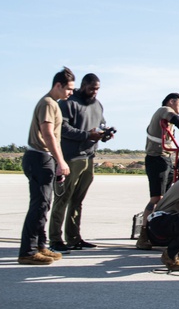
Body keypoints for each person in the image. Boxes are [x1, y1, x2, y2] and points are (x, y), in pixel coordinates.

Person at [18, 67, 74, 265]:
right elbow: (48, 134)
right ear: (58, 85)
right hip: (40, 157)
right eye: (69, 89)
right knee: (39, 205)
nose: (71, 93)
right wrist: (61, 161)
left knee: (44, 205)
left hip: (44, 157)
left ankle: (41, 246)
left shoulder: (53, 104)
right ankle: (28, 251)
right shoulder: (48, 103)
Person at [50, 73, 111, 252]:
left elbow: (101, 125)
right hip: (71, 157)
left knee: (78, 200)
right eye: (92, 88)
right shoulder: (68, 103)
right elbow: (63, 127)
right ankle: (55, 239)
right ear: (83, 85)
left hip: (89, 157)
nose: (94, 92)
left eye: (97, 89)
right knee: (63, 199)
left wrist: (105, 134)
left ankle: (74, 238)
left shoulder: (98, 105)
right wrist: (86, 135)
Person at [136, 92, 179, 249]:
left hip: (166, 159)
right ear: (171, 102)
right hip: (156, 158)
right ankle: (144, 234)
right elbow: (178, 120)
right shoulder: (164, 110)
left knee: (167, 197)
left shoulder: (166, 121)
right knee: (156, 198)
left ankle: (163, 232)